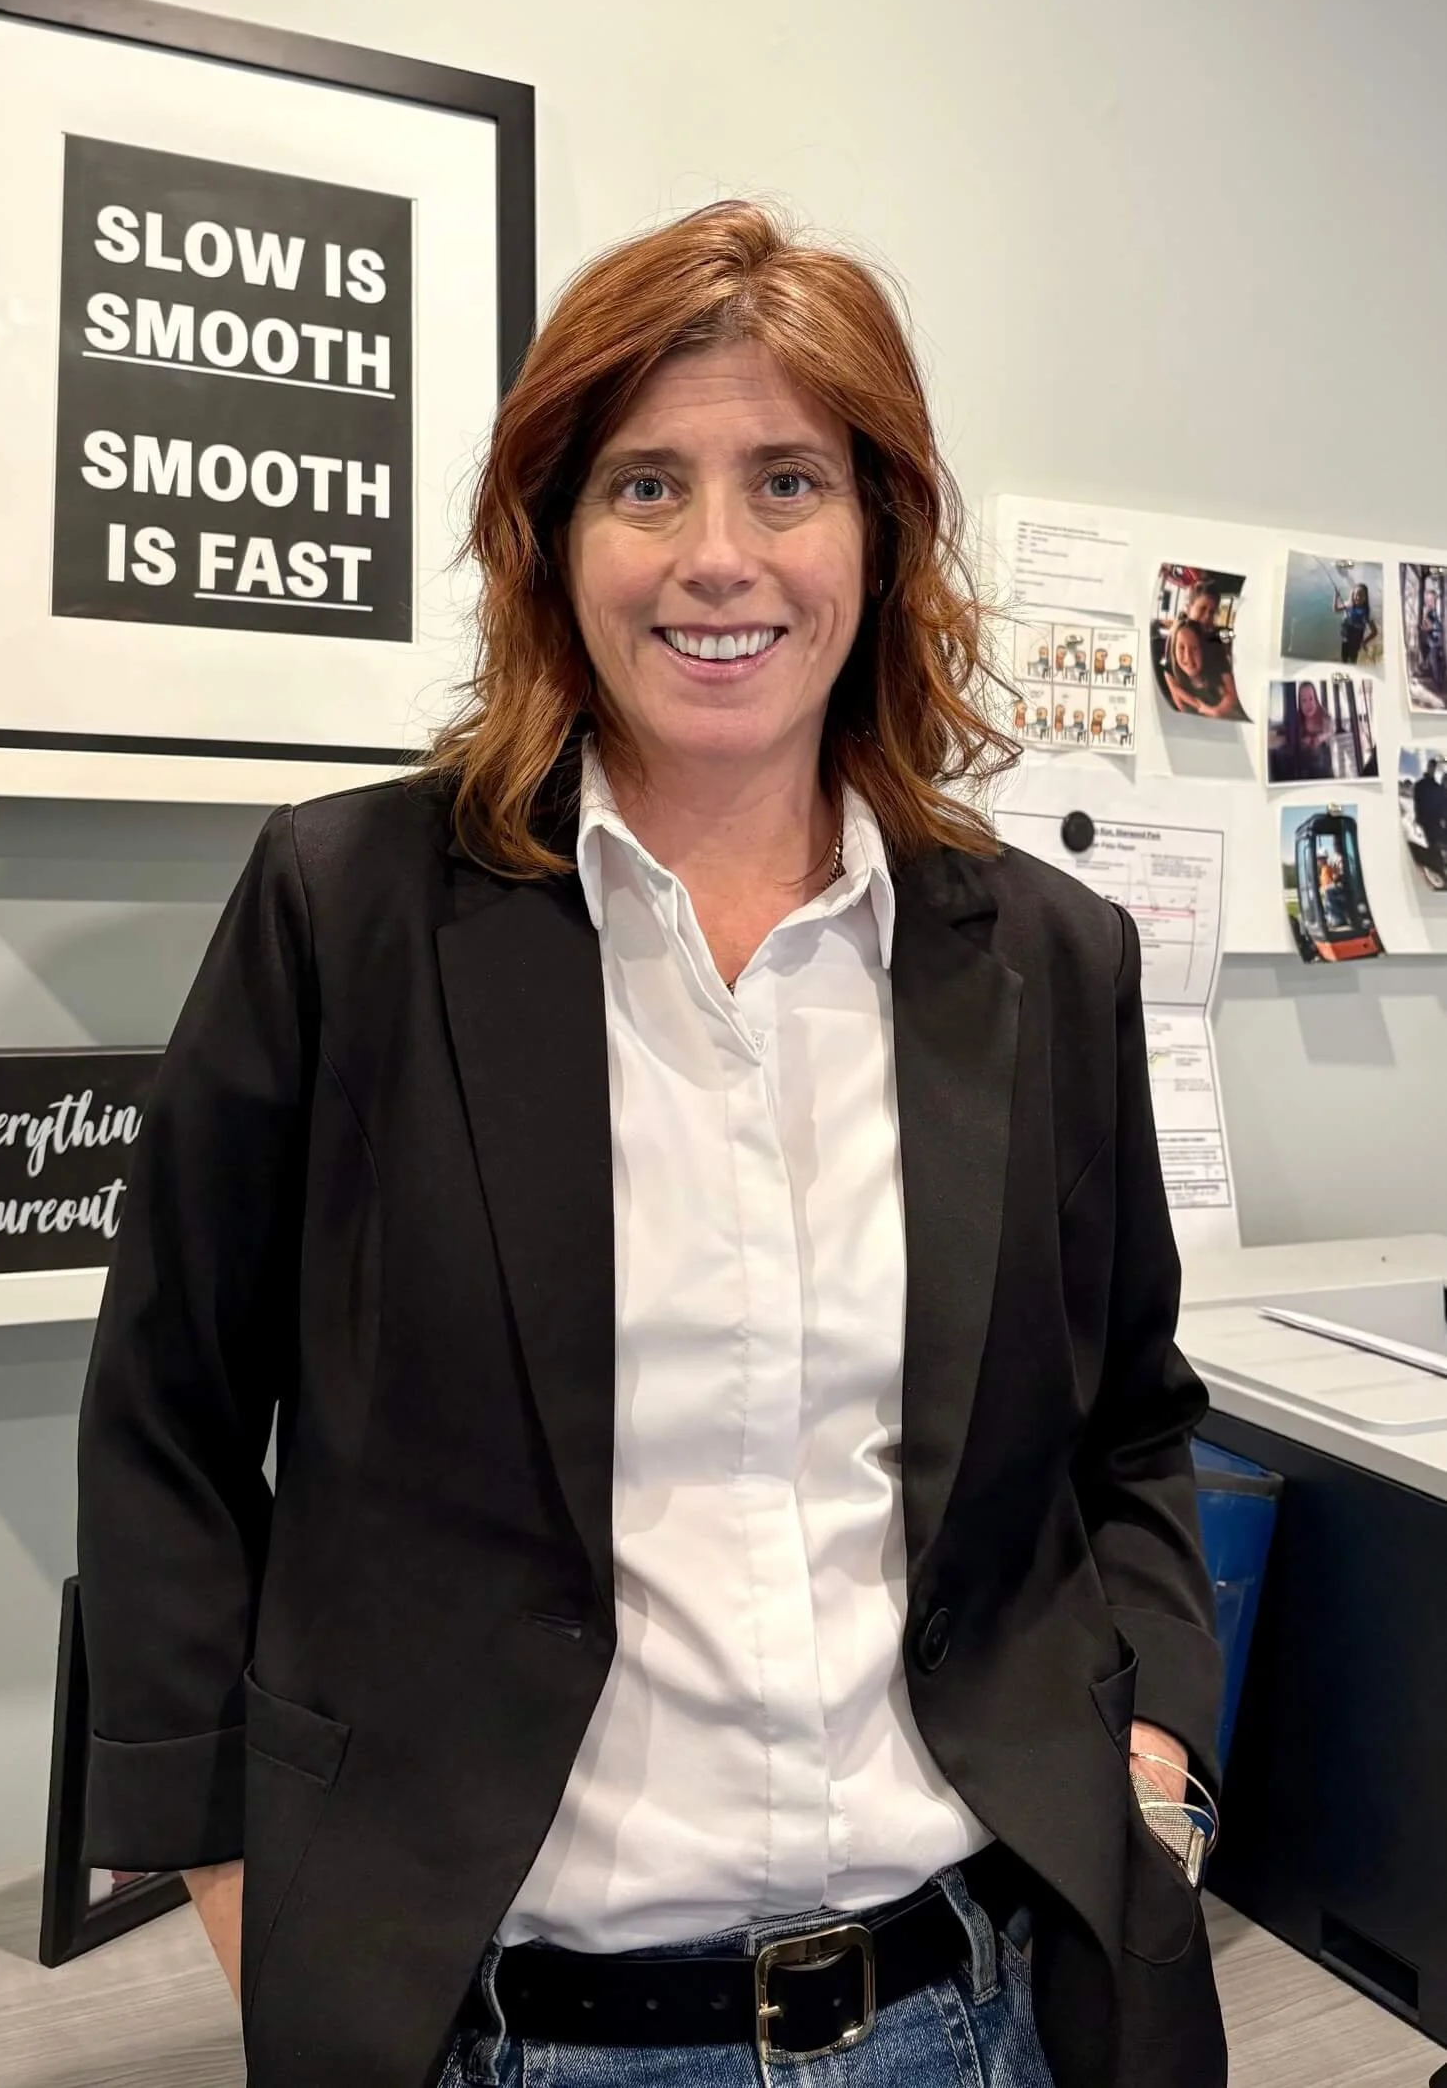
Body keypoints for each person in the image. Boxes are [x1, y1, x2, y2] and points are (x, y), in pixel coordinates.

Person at [76, 203, 1226, 2088]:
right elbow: (165, 1421)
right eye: (642, 487)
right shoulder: (346, 910)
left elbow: (1133, 1415)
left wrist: (1155, 1746)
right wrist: (226, 1862)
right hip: (514, 2026)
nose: (718, 558)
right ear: (549, 539)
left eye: (787, 481)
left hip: (987, 1997)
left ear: (880, 533)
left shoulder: (1039, 956)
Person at [1161, 619, 1243, 720]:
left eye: (1194, 648)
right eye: (1181, 647)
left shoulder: (1217, 669)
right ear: (1174, 650)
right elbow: (1183, 708)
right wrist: (1201, 707)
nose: (1188, 657)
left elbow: (1231, 697)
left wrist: (1215, 711)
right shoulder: (1170, 673)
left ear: (1203, 650)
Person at [1335, 578, 1374, 664]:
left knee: (1353, 659)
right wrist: (1336, 597)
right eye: (1356, 595)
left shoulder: (1368, 612)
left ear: (1366, 597)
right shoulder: (1348, 605)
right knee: (1344, 658)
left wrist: (1364, 642)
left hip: (1356, 642)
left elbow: (1374, 632)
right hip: (1345, 639)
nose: (1358, 597)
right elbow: (1336, 609)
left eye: (1361, 595)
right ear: (1352, 595)